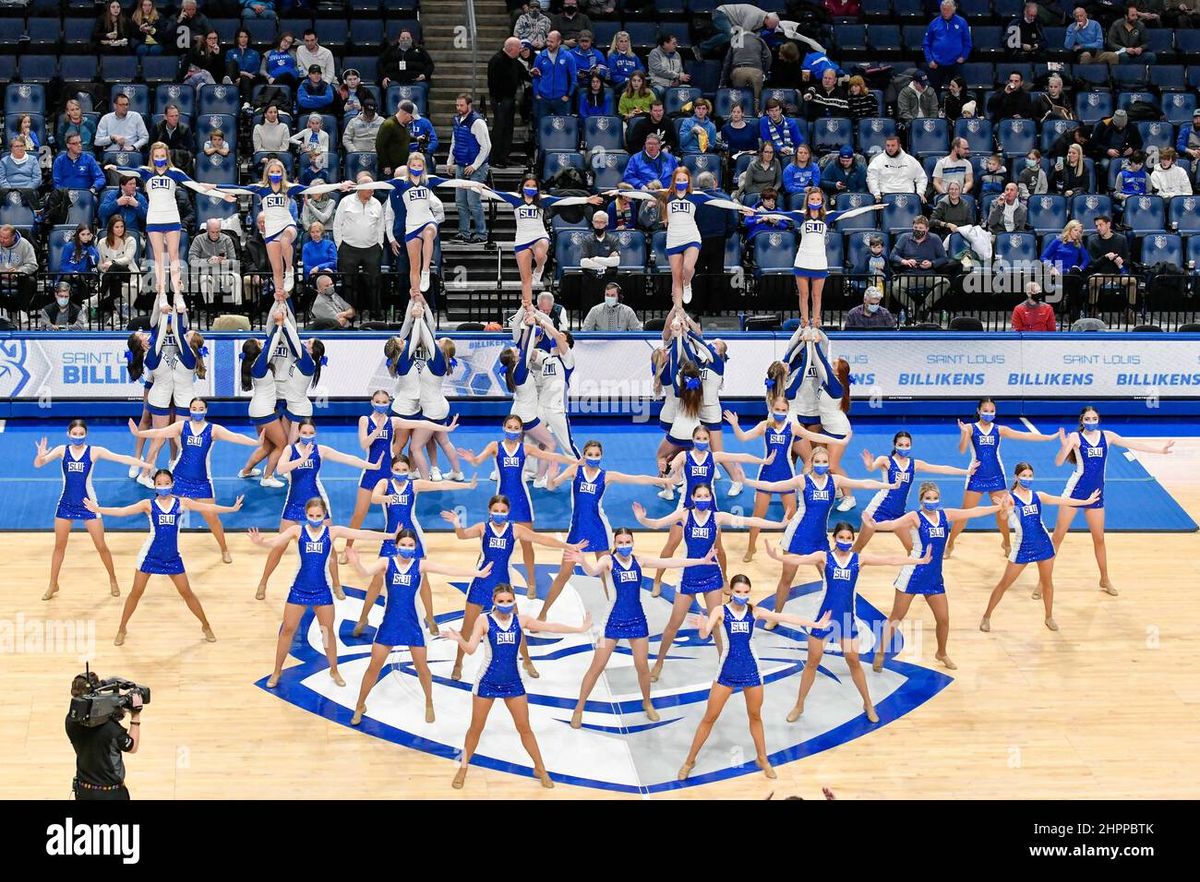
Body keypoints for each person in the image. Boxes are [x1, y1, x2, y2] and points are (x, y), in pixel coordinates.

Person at [766, 525, 928, 724]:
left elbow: (890, 560)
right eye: (841, 536)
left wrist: (918, 560)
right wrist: (778, 558)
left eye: (849, 537)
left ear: (853, 539)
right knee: (812, 663)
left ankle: (868, 703)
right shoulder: (823, 557)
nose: (845, 540)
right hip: (822, 618)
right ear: (834, 538)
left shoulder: (859, 559)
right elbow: (798, 559)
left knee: (854, 662)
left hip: (846, 619)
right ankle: (799, 705)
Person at [677, 574, 829, 781]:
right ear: (730, 591)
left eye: (746, 592)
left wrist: (816, 624)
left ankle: (762, 758)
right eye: (738, 592)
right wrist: (703, 626)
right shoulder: (720, 611)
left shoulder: (755, 611)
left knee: (755, 716)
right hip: (727, 671)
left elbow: (784, 618)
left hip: (751, 669)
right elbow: (705, 636)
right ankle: (689, 760)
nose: (742, 596)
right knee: (710, 717)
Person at [440, 585, 592, 790]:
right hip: (487, 681)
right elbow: (470, 649)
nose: (505, 605)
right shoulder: (484, 620)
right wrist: (460, 639)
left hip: (513, 682)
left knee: (525, 728)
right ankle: (464, 767)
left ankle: (540, 768)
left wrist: (579, 629)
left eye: (508, 601)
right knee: (476, 728)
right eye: (500, 601)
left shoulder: (521, 621)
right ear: (493, 601)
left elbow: (551, 627)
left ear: (514, 601)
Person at [632, 487, 789, 681]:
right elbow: (656, 524)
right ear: (692, 497)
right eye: (699, 496)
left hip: (712, 574)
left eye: (707, 496)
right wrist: (642, 519)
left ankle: (725, 665)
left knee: (717, 622)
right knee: (674, 623)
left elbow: (750, 520)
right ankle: (659, 662)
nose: (703, 499)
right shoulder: (684, 515)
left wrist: (779, 523)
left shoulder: (718, 517)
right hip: (688, 573)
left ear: (711, 498)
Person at [344, 532, 489, 726]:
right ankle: (359, 705)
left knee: (422, 668)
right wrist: (356, 562)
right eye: (403, 544)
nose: (407, 548)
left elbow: (447, 569)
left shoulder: (420, 565)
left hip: (413, 624)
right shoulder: (386, 562)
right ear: (396, 545)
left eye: (411, 545)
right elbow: (365, 573)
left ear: (415, 548)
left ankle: (429, 701)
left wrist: (477, 574)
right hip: (390, 624)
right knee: (373, 667)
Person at [865, 484, 1012, 672]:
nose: (932, 502)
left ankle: (941, 653)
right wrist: (875, 525)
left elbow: (974, 512)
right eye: (928, 498)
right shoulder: (914, 517)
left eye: (935, 498)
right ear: (921, 500)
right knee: (896, 616)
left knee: (943, 619)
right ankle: (880, 653)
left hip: (934, 576)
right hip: (913, 574)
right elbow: (893, 524)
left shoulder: (946, 515)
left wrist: (998, 508)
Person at [250, 499, 392, 689]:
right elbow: (276, 542)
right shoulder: (296, 531)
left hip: (322, 592)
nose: (315, 519)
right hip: (298, 590)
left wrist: (390, 536)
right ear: (305, 515)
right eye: (311, 516)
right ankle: (277, 671)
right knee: (287, 630)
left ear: (325, 515)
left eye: (318, 516)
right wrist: (262, 542)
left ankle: (334, 669)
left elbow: (361, 533)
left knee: (327, 632)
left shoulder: (332, 532)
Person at [85, 469, 238, 645]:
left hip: (172, 557)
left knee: (187, 593)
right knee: (136, 593)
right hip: (149, 556)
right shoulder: (148, 504)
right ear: (155, 486)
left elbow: (208, 507)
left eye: (167, 483)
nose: (163, 486)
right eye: (159, 484)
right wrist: (97, 509)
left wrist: (231, 509)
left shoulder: (182, 502)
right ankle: (122, 628)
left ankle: (206, 626)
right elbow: (122, 511)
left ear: (172, 484)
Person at [1051, 405, 1174, 594]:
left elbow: (1133, 445)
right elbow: (1058, 463)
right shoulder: (1075, 438)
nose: (1091, 422)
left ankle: (1104, 579)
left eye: (1094, 419)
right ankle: (1042, 582)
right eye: (1087, 419)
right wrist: (1064, 446)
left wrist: (1160, 450)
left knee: (1099, 538)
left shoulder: (1108, 436)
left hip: (1097, 493)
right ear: (1081, 421)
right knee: (1058, 537)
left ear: (1098, 420)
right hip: (1074, 493)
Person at [979, 463, 1099, 632]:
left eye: (1030, 476)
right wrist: (1004, 509)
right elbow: (1004, 517)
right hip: (1022, 547)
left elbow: (1062, 500)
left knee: (1047, 582)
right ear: (1016, 477)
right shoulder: (1010, 498)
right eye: (1024, 476)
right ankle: (987, 616)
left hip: (1044, 544)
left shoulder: (1038, 495)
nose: (1027, 479)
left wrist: (1085, 501)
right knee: (1004, 584)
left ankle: (1049, 617)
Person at [107, 144, 234, 300]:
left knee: (174, 255)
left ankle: (177, 292)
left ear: (167, 156)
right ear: (152, 157)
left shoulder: (175, 173)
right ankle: (161, 293)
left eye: (162, 156)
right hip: (154, 218)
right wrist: (114, 167)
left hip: (172, 218)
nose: (160, 159)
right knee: (159, 256)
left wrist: (222, 195)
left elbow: (197, 187)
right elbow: (129, 171)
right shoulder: (146, 172)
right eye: (157, 156)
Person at [943, 399, 1064, 558]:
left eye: (992, 411)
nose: (988, 414)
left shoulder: (999, 430)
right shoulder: (970, 429)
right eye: (985, 410)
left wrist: (1048, 438)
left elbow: (1024, 435)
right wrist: (965, 434)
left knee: (1003, 511)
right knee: (965, 514)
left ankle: (1006, 543)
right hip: (976, 476)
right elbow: (962, 449)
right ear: (978, 411)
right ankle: (950, 543)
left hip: (996, 476)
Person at [754, 189, 883, 326]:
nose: (815, 201)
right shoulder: (801, 216)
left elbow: (849, 213)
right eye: (812, 199)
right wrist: (756, 213)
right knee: (804, 295)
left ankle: (816, 320)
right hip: (803, 259)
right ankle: (804, 320)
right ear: (807, 201)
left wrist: (871, 207)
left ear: (822, 201)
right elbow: (780, 214)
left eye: (817, 199)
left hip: (819, 261)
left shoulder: (827, 216)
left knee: (817, 295)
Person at [333, 171, 387, 318]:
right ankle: (350, 314)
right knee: (349, 283)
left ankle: (375, 313)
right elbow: (337, 225)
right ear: (360, 188)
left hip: (372, 249)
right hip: (348, 248)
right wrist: (340, 245)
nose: (372, 190)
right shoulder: (346, 202)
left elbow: (381, 226)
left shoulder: (376, 203)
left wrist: (379, 245)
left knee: (374, 283)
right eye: (370, 187)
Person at [446, 94, 491, 245]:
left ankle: (481, 233)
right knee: (460, 201)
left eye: (461, 106)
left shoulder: (477, 122)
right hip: (460, 164)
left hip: (476, 167)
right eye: (457, 105)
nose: (458, 108)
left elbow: (486, 147)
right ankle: (464, 233)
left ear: (469, 105)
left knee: (473, 201)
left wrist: (475, 165)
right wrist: (450, 161)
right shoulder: (457, 120)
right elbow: (455, 141)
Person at [889, 215, 954, 314]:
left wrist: (931, 263)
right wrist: (904, 261)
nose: (917, 230)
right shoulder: (904, 238)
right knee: (895, 288)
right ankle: (914, 310)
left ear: (927, 229)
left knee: (945, 282)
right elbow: (893, 255)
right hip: (909, 274)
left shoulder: (935, 239)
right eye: (915, 227)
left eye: (920, 228)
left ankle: (924, 308)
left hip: (928, 274)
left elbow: (944, 258)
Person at [1085, 215, 1138, 316]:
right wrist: (1105, 257)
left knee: (1132, 281)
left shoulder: (1121, 239)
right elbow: (1092, 264)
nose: (1098, 228)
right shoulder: (1093, 240)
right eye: (1096, 226)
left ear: (1108, 224)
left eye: (1101, 225)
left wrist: (1121, 261)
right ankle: (1093, 308)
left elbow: (1128, 261)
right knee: (1093, 281)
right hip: (1100, 274)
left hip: (1118, 274)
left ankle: (1130, 309)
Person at [488, 37, 527, 168]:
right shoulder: (496, 61)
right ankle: (494, 158)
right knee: (499, 129)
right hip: (500, 100)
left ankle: (504, 156)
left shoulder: (514, 61)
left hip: (510, 99)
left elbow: (523, 73)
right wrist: (498, 100)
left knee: (508, 129)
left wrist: (532, 73)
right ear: (511, 48)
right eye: (519, 48)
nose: (521, 50)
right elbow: (492, 83)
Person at [531, 30, 578, 137]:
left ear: (559, 42)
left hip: (561, 99)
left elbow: (573, 78)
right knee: (542, 129)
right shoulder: (540, 57)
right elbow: (535, 77)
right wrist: (537, 94)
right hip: (544, 99)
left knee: (562, 129)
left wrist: (568, 95)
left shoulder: (568, 57)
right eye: (548, 41)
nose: (549, 44)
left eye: (552, 42)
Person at [720, 27, 772, 114]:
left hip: (738, 71)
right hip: (756, 71)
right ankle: (756, 115)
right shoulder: (759, 39)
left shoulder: (735, 40)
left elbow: (727, 63)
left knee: (739, 96)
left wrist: (722, 82)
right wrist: (764, 72)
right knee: (757, 99)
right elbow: (768, 57)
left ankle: (739, 115)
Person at [922, 0, 972, 90]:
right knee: (933, 91)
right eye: (943, 9)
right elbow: (926, 44)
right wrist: (930, 60)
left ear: (954, 9)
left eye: (948, 10)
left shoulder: (962, 22)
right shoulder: (934, 23)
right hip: (936, 64)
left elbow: (967, 43)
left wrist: (963, 56)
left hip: (955, 63)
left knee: (958, 90)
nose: (945, 12)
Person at [188, 218, 238, 308]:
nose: (215, 235)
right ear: (207, 230)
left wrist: (224, 262)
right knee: (205, 280)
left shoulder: (227, 239)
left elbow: (234, 262)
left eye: (217, 232)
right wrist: (208, 261)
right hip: (206, 273)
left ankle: (236, 309)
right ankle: (209, 309)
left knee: (236, 278)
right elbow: (192, 260)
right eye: (212, 232)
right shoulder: (198, 239)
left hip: (223, 273)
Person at [700, 4, 781, 57]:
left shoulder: (763, 20)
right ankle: (702, 48)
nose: (771, 27)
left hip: (733, 22)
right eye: (772, 25)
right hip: (721, 13)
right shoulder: (754, 16)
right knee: (730, 35)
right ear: (767, 18)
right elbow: (744, 34)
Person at [97, 215, 138, 317]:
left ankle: (101, 294)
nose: (120, 229)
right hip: (111, 275)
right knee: (114, 277)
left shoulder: (130, 240)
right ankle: (117, 314)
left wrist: (112, 262)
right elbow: (99, 265)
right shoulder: (102, 242)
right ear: (111, 228)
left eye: (122, 226)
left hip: (127, 272)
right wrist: (104, 267)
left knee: (114, 267)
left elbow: (128, 259)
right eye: (117, 227)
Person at [577, 206, 621, 303]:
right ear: (592, 223)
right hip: (591, 278)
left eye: (601, 222)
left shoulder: (613, 239)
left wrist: (595, 259)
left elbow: (616, 261)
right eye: (596, 222)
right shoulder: (586, 239)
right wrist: (606, 263)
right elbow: (583, 263)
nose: (598, 225)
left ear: (606, 223)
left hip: (608, 279)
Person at [868, 135, 928, 200]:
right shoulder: (877, 161)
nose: (890, 148)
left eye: (893, 145)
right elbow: (872, 179)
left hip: (908, 196)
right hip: (885, 196)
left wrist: (920, 193)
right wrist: (876, 194)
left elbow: (922, 178)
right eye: (888, 145)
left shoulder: (911, 160)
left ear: (899, 146)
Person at [0, 139, 44, 212]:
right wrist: (10, 190)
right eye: (16, 146)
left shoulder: (33, 160)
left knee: (31, 194)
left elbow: (37, 178)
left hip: (29, 189)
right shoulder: (4, 161)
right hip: (9, 189)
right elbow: (1, 179)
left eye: (22, 146)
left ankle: (37, 218)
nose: (19, 148)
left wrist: (26, 190)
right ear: (11, 148)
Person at [375, 103, 413, 179]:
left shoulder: (404, 125)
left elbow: (402, 138)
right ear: (405, 114)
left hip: (402, 167)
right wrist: (386, 165)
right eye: (411, 116)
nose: (412, 119)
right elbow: (380, 146)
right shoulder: (388, 124)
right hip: (390, 169)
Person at [226, 28, 261, 103]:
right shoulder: (230, 52)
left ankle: (247, 104)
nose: (243, 39)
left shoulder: (255, 53)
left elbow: (257, 70)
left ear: (248, 38)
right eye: (241, 37)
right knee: (232, 63)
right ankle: (230, 85)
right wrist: (241, 74)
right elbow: (228, 68)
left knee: (245, 78)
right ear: (237, 38)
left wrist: (242, 76)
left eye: (245, 37)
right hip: (234, 78)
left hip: (250, 79)